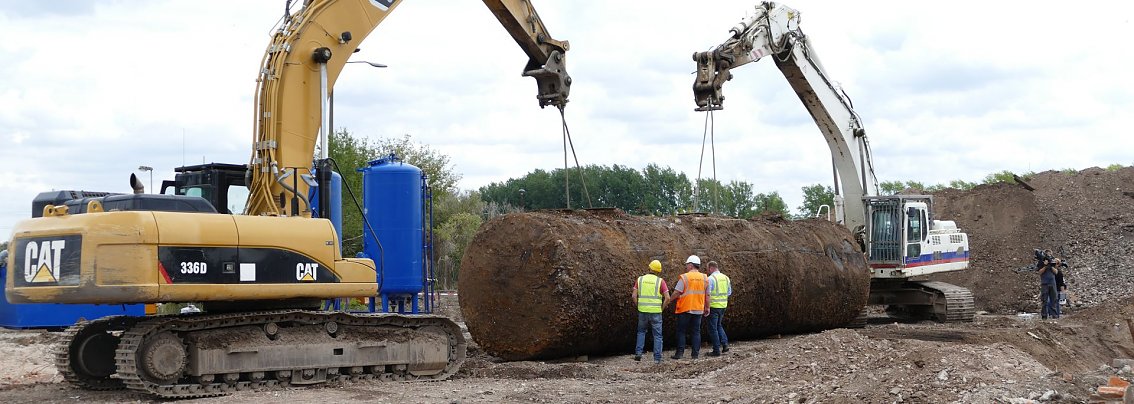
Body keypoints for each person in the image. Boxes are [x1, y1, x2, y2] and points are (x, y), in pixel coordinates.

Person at [668, 255, 710, 360]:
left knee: (681, 331)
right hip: (698, 309)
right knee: (696, 331)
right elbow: (707, 295)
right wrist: (707, 307)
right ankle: (695, 354)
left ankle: (679, 353)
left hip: (685, 308)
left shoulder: (685, 277)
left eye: (687, 265)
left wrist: (669, 300)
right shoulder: (705, 278)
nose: (686, 267)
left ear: (691, 265)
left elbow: (677, 292)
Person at [632, 259, 671, 364]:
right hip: (656, 312)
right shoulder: (660, 281)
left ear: (649, 268)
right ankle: (657, 359)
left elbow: (634, 296)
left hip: (642, 311)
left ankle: (638, 353)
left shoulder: (640, 280)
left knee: (641, 332)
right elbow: (667, 298)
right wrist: (661, 309)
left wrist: (639, 306)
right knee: (657, 335)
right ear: (658, 271)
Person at [705, 260, 732, 357]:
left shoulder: (711, 279)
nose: (707, 270)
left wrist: (706, 306)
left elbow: (708, 294)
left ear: (711, 268)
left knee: (713, 329)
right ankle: (725, 345)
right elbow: (729, 292)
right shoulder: (726, 278)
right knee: (719, 326)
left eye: (708, 269)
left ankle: (716, 350)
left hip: (713, 306)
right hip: (723, 306)